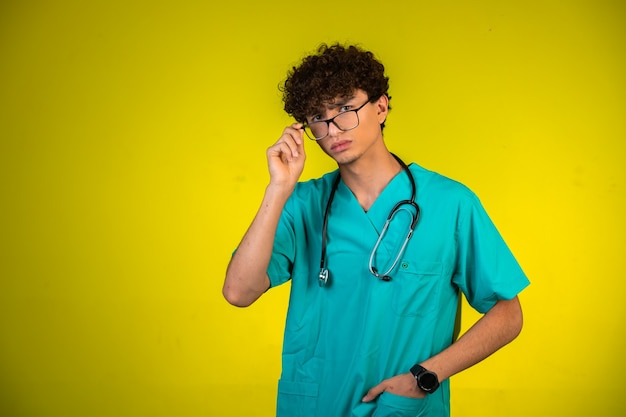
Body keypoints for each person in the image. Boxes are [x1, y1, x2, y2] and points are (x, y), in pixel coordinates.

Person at [223, 43, 529, 417]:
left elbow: (508, 313)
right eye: (318, 117)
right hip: (315, 406)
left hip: (401, 408)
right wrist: (278, 188)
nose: (332, 128)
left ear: (381, 107)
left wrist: (426, 376)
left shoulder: (451, 204)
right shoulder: (302, 204)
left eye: (345, 109)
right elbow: (238, 291)